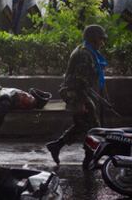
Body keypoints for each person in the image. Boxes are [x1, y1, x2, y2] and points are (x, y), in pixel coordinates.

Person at [46, 25, 108, 165]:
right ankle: (89, 159)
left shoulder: (88, 51)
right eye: (100, 39)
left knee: (82, 125)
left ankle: (56, 146)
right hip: (75, 93)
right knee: (93, 127)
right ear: (93, 39)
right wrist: (81, 102)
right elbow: (79, 80)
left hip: (80, 91)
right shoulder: (84, 54)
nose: (102, 43)